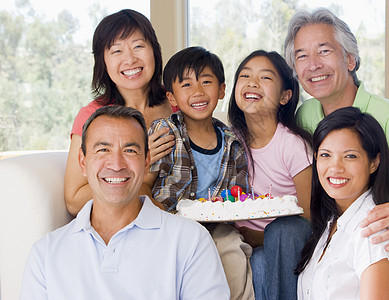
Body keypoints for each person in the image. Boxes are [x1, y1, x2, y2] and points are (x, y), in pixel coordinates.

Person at [284, 8, 389, 298]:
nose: (313, 65)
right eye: (302, 56)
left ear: (350, 59)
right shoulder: (304, 116)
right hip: (338, 227)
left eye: (323, 51)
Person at [20, 105, 230, 300]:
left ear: (147, 161)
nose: (117, 164)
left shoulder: (191, 240)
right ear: (83, 163)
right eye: (103, 150)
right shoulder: (46, 253)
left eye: (130, 150)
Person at [147, 46, 252, 300]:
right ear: (172, 98)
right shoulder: (165, 131)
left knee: (232, 248)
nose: (198, 92)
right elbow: (142, 185)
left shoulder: (233, 144)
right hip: (168, 222)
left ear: (222, 90)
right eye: (187, 85)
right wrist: (162, 218)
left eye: (206, 81)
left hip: (216, 226)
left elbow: (237, 200)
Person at [64, 9, 174, 216]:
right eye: (116, 51)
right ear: (103, 62)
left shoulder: (177, 102)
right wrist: (135, 161)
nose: (130, 59)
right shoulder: (92, 116)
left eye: (138, 46)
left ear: (155, 51)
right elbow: (74, 200)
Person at [297, 106, 389, 299]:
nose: (335, 167)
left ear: (374, 162)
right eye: (325, 155)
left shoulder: (375, 229)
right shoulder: (332, 220)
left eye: (350, 156)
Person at [228, 50, 313, 300]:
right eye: (245, 75)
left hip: (281, 244)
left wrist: (260, 237)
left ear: (285, 96)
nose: (252, 82)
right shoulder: (230, 140)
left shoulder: (292, 145)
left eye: (265, 78)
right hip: (238, 240)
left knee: (263, 262)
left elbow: (309, 215)